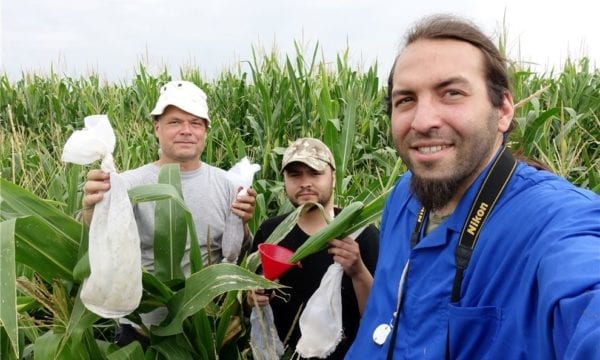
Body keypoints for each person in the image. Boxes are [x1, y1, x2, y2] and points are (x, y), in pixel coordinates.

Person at [346, 15, 600, 359]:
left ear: (504, 110)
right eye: (405, 99)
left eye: (451, 93)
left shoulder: (554, 222)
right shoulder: (403, 197)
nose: (422, 122)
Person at [81, 80, 257, 343]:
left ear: (206, 131)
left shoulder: (229, 186)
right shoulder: (127, 184)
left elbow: (240, 254)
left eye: (196, 123)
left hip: (207, 326)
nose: (186, 130)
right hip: (143, 328)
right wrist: (91, 211)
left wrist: (243, 225)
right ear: (157, 128)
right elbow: (94, 245)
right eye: (175, 122)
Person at [248, 138, 379, 359]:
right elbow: (246, 298)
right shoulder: (271, 232)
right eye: (295, 175)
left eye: (315, 173)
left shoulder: (361, 235)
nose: (305, 183)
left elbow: (379, 314)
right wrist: (252, 298)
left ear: (333, 178)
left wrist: (357, 271)